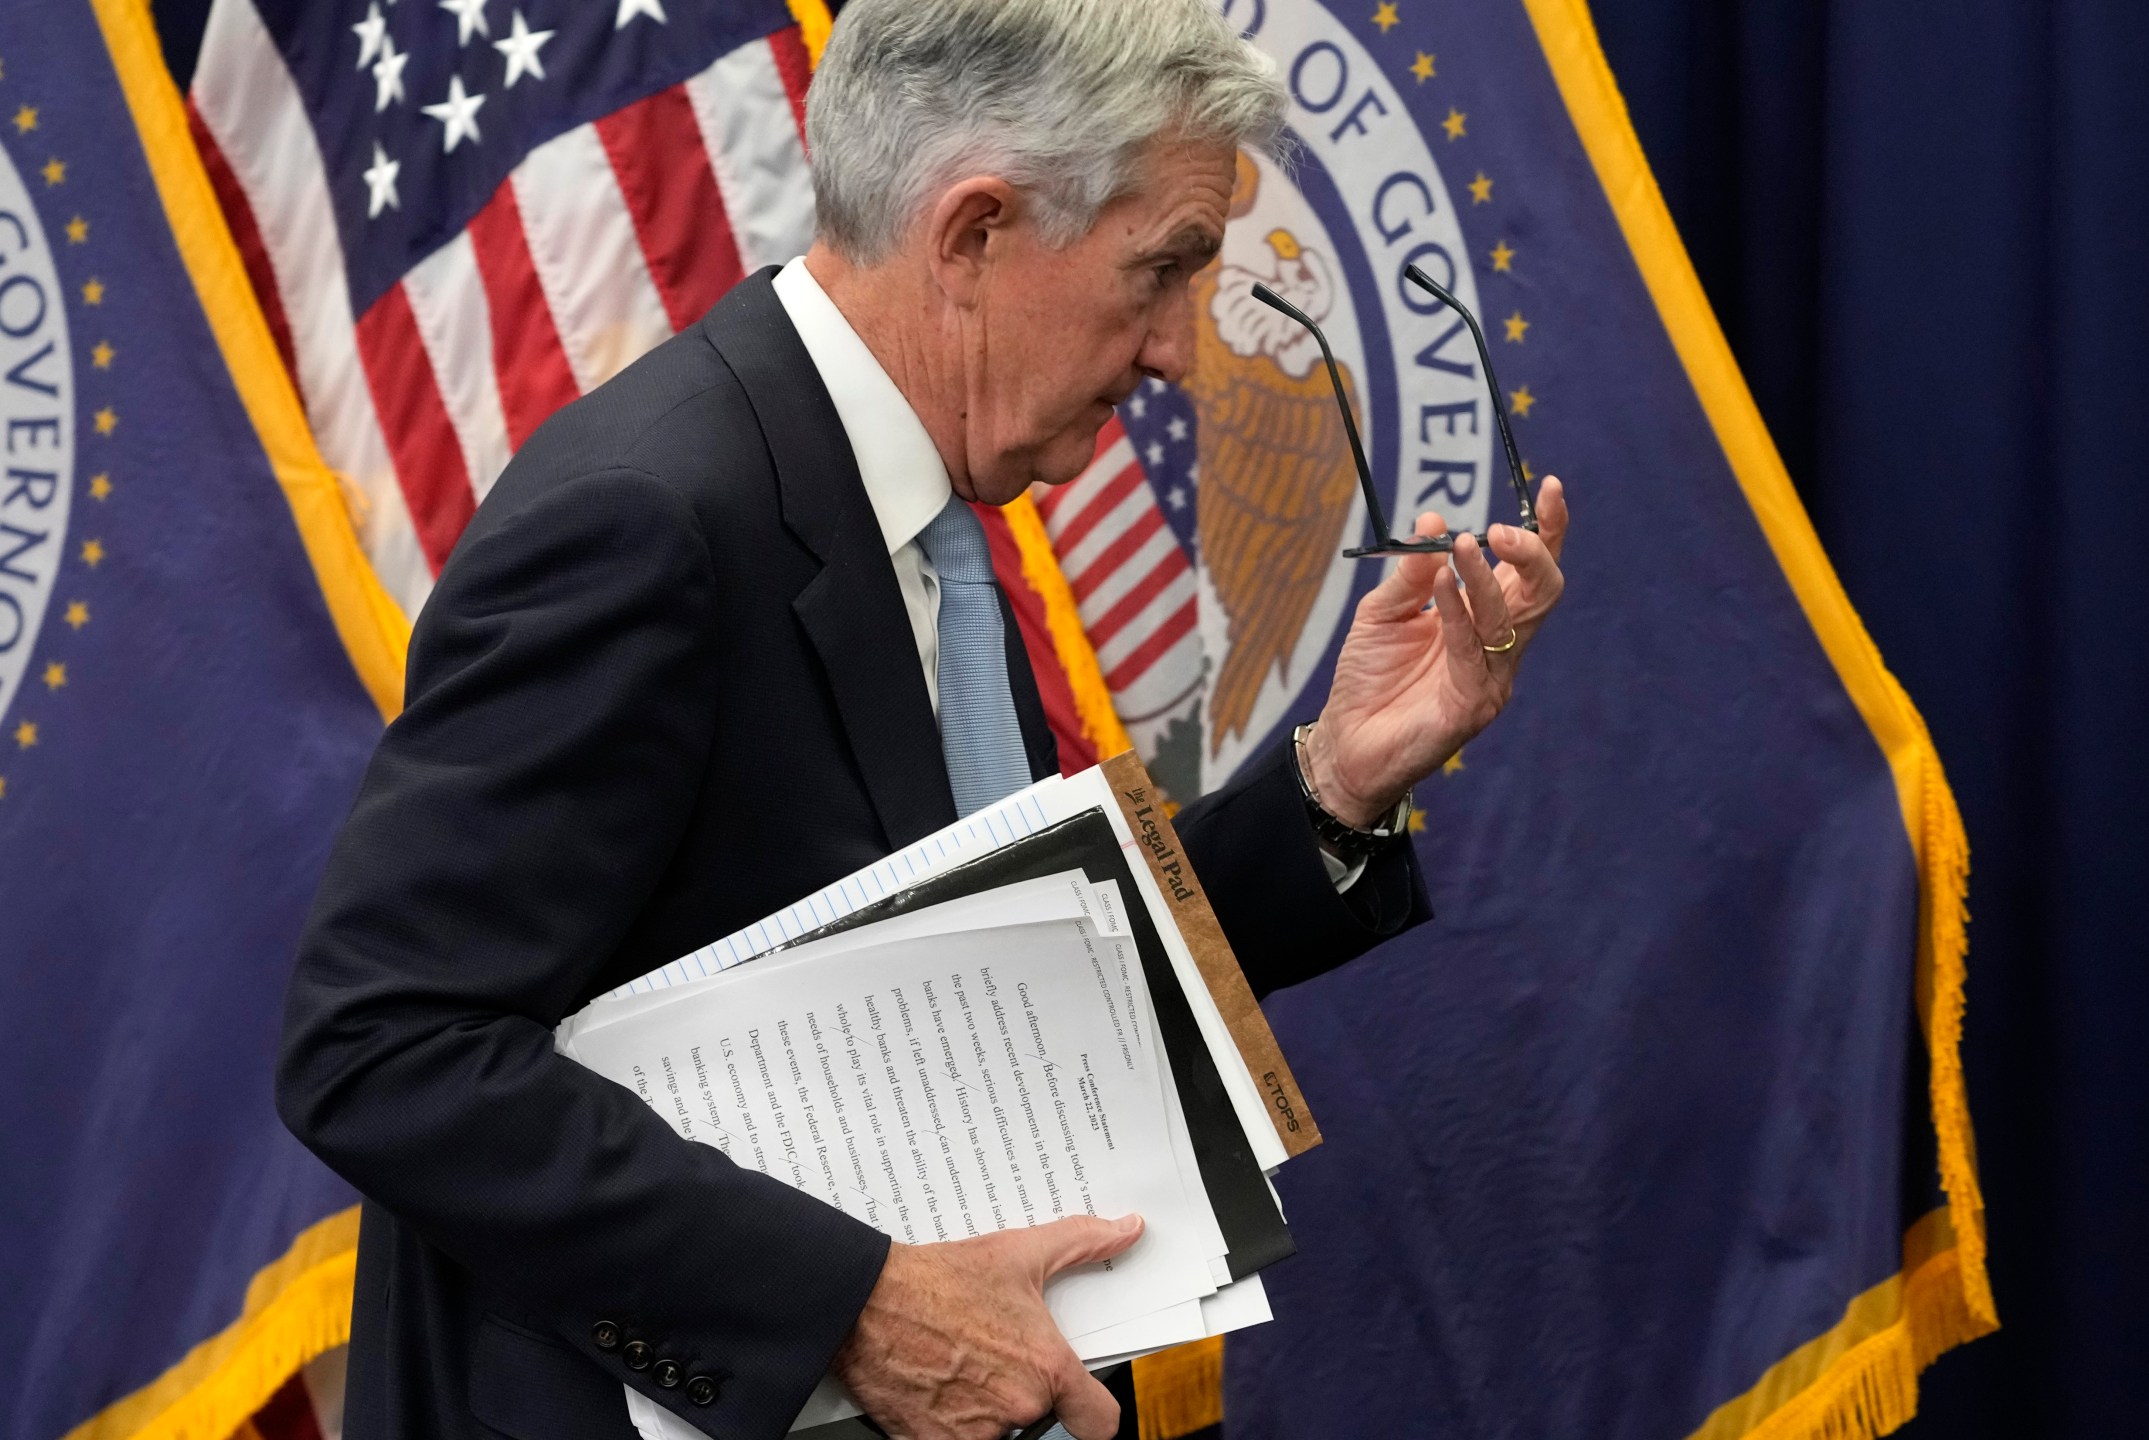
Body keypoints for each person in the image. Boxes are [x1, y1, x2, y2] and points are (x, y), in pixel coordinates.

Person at [275, 2, 1569, 1438]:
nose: (1179, 356)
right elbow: (384, 1051)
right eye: (1160, 275)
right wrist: (853, 1306)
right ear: (972, 235)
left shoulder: (913, 505)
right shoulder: (649, 518)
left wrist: (1334, 780)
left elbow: (989, 995)